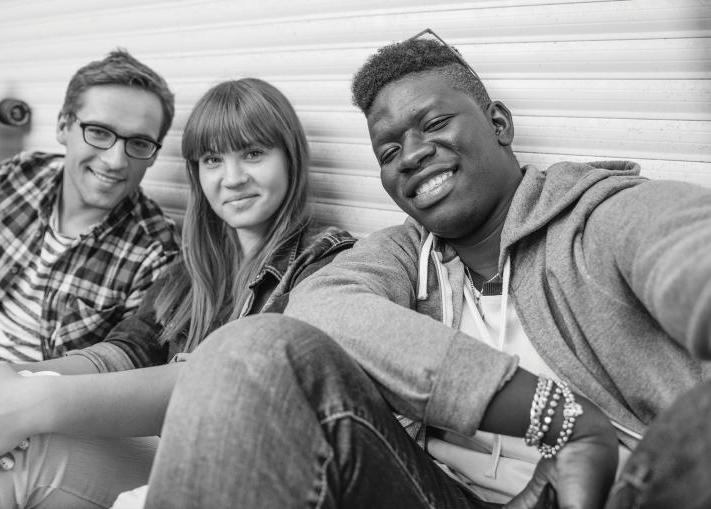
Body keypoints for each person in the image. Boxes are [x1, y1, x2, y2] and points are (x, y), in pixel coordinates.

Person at [140, 30, 711, 508]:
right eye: (388, 152)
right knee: (250, 348)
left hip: (630, 492)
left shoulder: (596, 215)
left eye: (434, 124)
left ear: (499, 123)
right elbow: (321, 307)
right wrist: (559, 417)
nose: (411, 154)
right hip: (441, 495)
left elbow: (680, 242)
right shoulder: (401, 254)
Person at [0, 78, 355, 507]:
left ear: (291, 157)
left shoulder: (323, 263)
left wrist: (25, 398)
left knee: (31, 447)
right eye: (213, 159)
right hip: (166, 452)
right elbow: (125, 351)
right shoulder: (192, 267)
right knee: (4, 450)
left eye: (253, 153)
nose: (232, 179)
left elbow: (237, 388)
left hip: (246, 472)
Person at [0, 49, 179, 363]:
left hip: (48, 405)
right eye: (98, 132)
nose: (115, 161)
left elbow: (121, 377)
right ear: (63, 126)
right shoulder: (14, 179)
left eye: (138, 143)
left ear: (153, 155)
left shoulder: (156, 254)